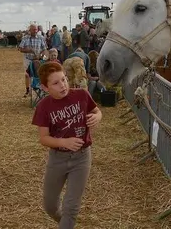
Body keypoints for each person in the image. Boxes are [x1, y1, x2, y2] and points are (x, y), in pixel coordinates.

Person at [31, 61, 102, 229]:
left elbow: (96, 111)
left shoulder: (82, 95)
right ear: (45, 87)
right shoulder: (43, 107)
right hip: (57, 159)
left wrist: (98, 116)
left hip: (82, 158)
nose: (63, 85)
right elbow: (44, 138)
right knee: (50, 206)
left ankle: (67, 223)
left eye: (64, 79)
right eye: (56, 83)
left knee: (71, 207)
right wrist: (64, 142)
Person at [18, 24, 47, 97]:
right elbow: (20, 49)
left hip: (37, 60)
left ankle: (38, 89)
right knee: (27, 75)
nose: (35, 31)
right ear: (30, 30)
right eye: (33, 30)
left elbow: (44, 49)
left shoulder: (41, 38)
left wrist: (41, 55)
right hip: (28, 59)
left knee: (37, 74)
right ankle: (28, 90)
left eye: (36, 29)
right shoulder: (25, 38)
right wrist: (29, 50)